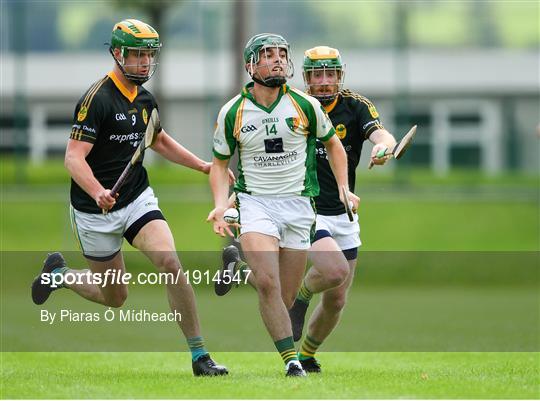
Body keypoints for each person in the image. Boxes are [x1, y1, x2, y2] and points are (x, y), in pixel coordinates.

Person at [30, 19, 228, 377]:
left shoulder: (146, 100)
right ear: (118, 53)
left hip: (136, 198)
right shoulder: (97, 100)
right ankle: (59, 274)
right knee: (115, 299)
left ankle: (200, 356)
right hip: (94, 211)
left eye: (149, 55)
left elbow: (158, 139)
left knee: (170, 263)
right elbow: (73, 158)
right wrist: (97, 192)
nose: (144, 63)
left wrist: (201, 165)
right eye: (137, 55)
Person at [216, 46, 397, 374]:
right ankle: (299, 300)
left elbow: (379, 133)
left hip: (344, 211)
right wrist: (232, 202)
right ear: (305, 76)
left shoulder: (355, 106)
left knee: (337, 299)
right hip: (308, 209)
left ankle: (308, 354)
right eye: (317, 75)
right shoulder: (293, 105)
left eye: (330, 74)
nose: (324, 82)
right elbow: (262, 164)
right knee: (331, 271)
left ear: (340, 75)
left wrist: (386, 146)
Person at [207, 34, 350, 377]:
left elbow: (335, 147)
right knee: (268, 284)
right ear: (250, 65)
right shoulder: (233, 111)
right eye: (268, 55)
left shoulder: (306, 106)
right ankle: (292, 362)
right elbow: (219, 163)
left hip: (299, 207)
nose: (277, 61)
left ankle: (239, 271)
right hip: (255, 205)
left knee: (284, 299)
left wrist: (344, 187)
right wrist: (218, 205)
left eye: (282, 54)